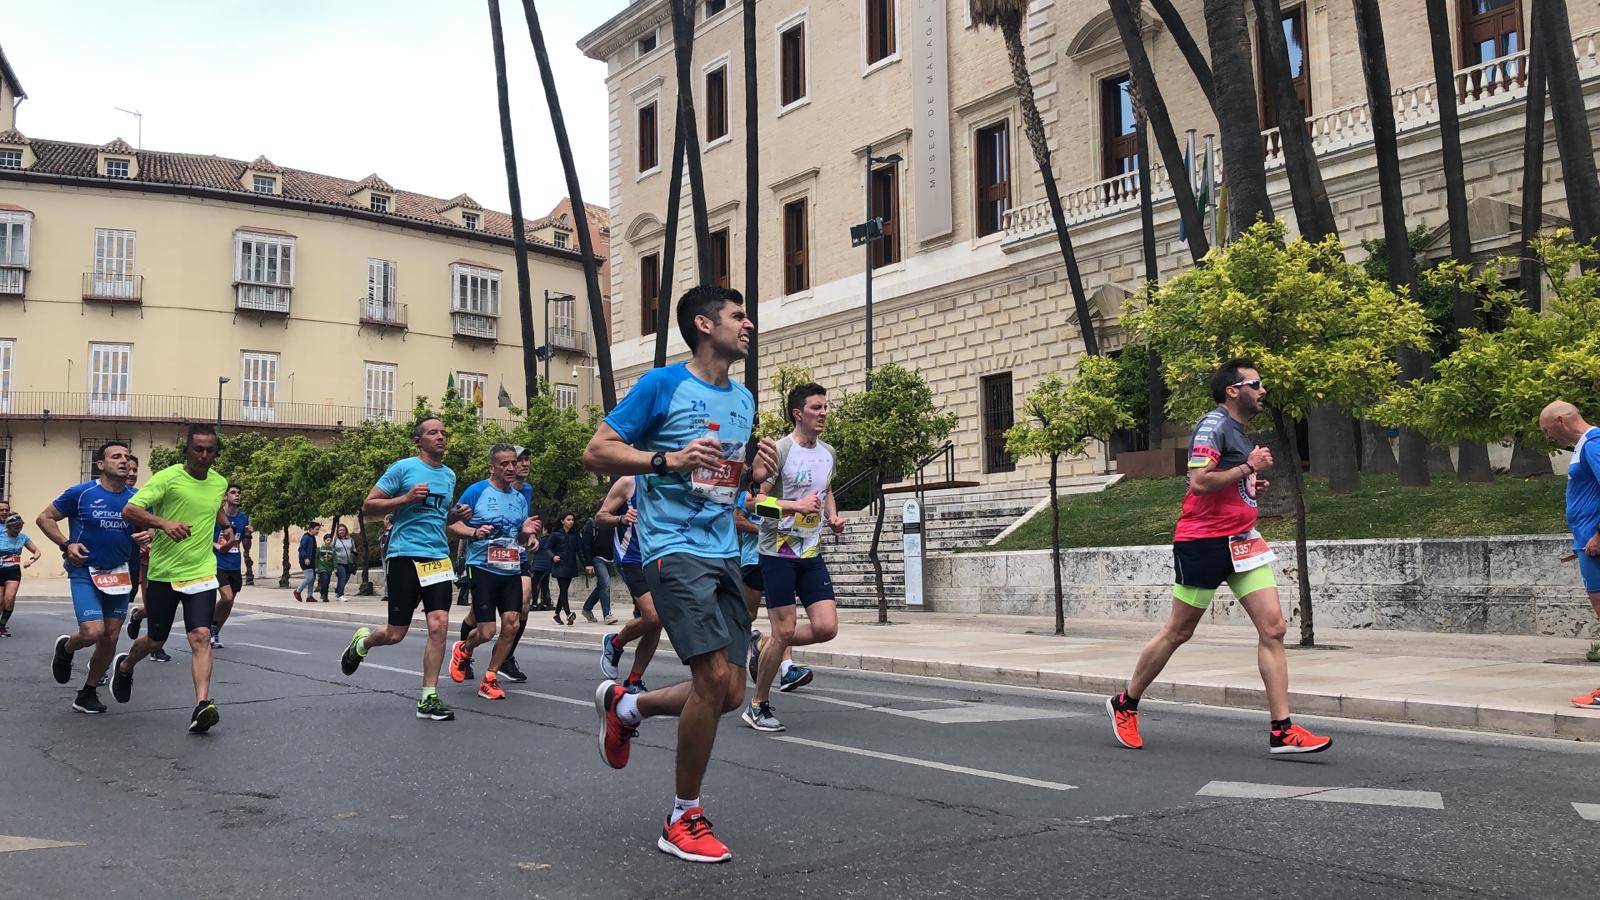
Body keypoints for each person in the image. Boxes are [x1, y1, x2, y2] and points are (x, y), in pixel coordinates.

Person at [585, 284, 778, 863]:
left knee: (730, 691)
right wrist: (664, 459)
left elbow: (724, 481)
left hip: (723, 552)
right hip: (671, 549)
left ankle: (626, 707)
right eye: (738, 316)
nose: (748, 325)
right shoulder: (662, 385)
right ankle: (682, 817)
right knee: (712, 678)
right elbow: (597, 451)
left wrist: (755, 476)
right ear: (703, 324)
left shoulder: (742, 400)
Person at [1105, 360, 1332, 755]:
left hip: (1243, 542)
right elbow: (1199, 482)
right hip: (1204, 543)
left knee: (1274, 628)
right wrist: (1248, 465)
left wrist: (1248, 483)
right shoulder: (1213, 426)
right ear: (1233, 390)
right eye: (1256, 384)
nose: (1263, 391)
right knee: (1179, 631)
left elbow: (1223, 480)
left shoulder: (1238, 432)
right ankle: (1125, 703)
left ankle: (1282, 730)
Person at [338, 417, 471, 721]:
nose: (441, 437)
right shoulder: (403, 468)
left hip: (437, 556)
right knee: (396, 633)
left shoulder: (449, 475)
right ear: (419, 441)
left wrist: (456, 515)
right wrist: (405, 499)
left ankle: (428, 697)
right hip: (404, 554)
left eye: (443, 432)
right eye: (433, 432)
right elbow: (368, 506)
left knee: (439, 624)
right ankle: (364, 641)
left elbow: (440, 518)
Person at [112, 423, 234, 734]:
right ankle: (125, 666)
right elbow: (130, 509)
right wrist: (163, 523)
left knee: (200, 636)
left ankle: (202, 705)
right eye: (198, 449)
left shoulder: (219, 482)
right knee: (156, 640)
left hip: (201, 572)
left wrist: (226, 525)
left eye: (210, 451)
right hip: (164, 573)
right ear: (187, 451)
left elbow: (212, 508)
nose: (204, 456)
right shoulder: (168, 478)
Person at [744, 383, 845, 733]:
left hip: (811, 550)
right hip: (778, 552)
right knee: (784, 631)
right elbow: (755, 504)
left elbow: (826, 489)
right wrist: (794, 506)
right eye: (816, 407)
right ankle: (758, 705)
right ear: (798, 413)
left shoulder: (828, 452)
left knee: (826, 628)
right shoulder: (781, 451)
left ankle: (764, 643)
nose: (824, 413)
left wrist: (832, 517)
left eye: (825, 407)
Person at [38, 440, 147, 713]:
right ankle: (66, 648)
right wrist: (66, 544)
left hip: (119, 574)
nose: (123, 461)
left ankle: (87, 692)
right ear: (101, 464)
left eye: (126, 457)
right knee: (93, 631)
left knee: (110, 637)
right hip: (85, 571)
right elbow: (45, 518)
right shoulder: (81, 493)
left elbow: (153, 526)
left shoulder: (137, 499)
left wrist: (150, 534)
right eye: (116, 456)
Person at [448, 443, 536, 700]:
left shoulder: (519, 499)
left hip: (511, 567)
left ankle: (490, 678)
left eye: (513, 463)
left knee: (511, 624)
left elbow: (518, 536)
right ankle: (464, 647)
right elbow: (452, 525)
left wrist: (527, 533)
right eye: (504, 464)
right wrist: (474, 532)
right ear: (492, 467)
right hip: (482, 567)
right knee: (486, 631)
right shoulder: (476, 492)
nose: (511, 468)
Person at [1537, 401, 1600, 710]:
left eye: (1547, 430)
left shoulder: (1593, 444)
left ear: (1561, 420)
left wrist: (1598, 534)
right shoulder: (1584, 447)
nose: (1548, 437)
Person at [596, 476, 660, 694]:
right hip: (631, 558)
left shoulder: (673, 482)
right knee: (653, 616)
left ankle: (634, 679)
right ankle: (615, 643)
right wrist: (621, 519)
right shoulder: (628, 483)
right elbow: (601, 516)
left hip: (662, 557)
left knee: (657, 622)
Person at [210, 484, 251, 648]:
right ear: (225, 497)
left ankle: (215, 633)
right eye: (233, 493)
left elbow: (245, 546)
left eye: (239, 493)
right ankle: (209, 626)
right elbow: (204, 536)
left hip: (235, 564)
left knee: (230, 601)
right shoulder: (217, 516)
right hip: (218, 562)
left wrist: (248, 535)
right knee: (226, 596)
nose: (237, 495)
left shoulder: (243, 518)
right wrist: (216, 546)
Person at [0, 513, 40, 636]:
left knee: (9, 598)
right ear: (8, 526)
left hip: (13, 571)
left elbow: (37, 551)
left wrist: (32, 560)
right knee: (0, 601)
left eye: (20, 526)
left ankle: (2, 625)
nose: (18, 530)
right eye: (15, 527)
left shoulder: (23, 537)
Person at [580, 511, 617, 625]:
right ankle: (607, 615)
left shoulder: (614, 523)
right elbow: (586, 544)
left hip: (611, 559)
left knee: (601, 586)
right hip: (597, 558)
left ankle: (587, 608)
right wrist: (588, 563)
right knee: (605, 584)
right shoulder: (593, 523)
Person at [549, 512, 582, 626]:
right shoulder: (555, 535)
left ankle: (556, 615)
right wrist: (553, 556)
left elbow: (579, 551)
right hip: (560, 566)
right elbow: (547, 548)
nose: (571, 522)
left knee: (563, 591)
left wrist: (587, 564)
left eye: (572, 520)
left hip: (571, 566)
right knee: (563, 590)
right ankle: (568, 614)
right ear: (562, 521)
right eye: (568, 520)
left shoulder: (575, 535)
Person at [294, 523, 320, 602]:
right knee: (309, 577)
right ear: (311, 529)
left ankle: (309, 596)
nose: (318, 531)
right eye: (316, 529)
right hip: (306, 561)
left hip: (312, 561)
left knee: (312, 579)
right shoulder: (306, 537)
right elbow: (301, 549)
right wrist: (305, 558)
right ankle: (297, 591)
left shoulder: (312, 538)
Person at [331, 523, 355, 601]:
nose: (342, 531)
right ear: (337, 531)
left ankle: (338, 591)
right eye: (340, 530)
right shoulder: (335, 540)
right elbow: (331, 550)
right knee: (342, 577)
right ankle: (340, 594)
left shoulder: (350, 539)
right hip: (338, 562)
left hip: (348, 562)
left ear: (346, 531)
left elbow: (353, 549)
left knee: (346, 578)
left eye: (343, 530)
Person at [314, 533, 337, 601]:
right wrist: (316, 567)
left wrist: (335, 568)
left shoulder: (332, 550)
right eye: (327, 540)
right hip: (322, 568)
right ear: (324, 540)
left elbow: (334, 559)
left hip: (329, 569)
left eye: (330, 540)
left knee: (327, 582)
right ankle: (325, 596)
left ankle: (322, 593)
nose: (329, 542)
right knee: (325, 579)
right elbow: (316, 558)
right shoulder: (320, 548)